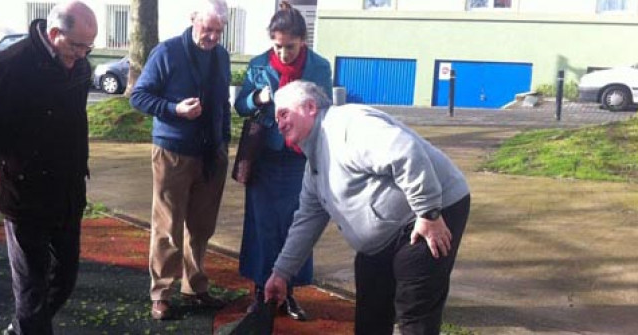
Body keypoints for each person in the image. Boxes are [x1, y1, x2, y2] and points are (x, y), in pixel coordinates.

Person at [264, 81, 472, 335]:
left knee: (414, 309)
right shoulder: (315, 165)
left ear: (310, 107)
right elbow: (306, 220)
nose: (280, 123)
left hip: (432, 211)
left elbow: (405, 151)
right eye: (276, 118)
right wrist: (281, 273)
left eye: (284, 114)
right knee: (371, 308)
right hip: (384, 235)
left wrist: (428, 211)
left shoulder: (348, 126)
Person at [0, 2, 97, 334]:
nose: (83, 54)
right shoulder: (12, 65)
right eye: (77, 46)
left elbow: (75, 122)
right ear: (55, 34)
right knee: (32, 289)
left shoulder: (80, 65)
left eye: (89, 47)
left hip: (68, 190)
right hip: (22, 190)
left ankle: (20, 328)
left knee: (65, 277)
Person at [130, 0, 232, 321]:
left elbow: (223, 104)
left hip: (211, 153)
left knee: (201, 226)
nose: (213, 36)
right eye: (207, 28)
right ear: (192, 20)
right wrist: (176, 109)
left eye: (219, 30)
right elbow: (139, 95)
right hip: (173, 151)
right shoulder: (167, 52)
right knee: (168, 227)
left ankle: (195, 285)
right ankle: (161, 293)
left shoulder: (222, 56)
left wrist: (224, 142)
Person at [232, 1, 332, 321]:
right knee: (262, 227)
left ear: (303, 39)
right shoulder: (259, 64)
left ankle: (288, 291)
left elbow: (325, 107)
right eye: (278, 46)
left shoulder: (319, 66)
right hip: (264, 156)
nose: (284, 53)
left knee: (295, 225)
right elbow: (241, 106)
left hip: (298, 157)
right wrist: (255, 98)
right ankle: (261, 291)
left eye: (290, 46)